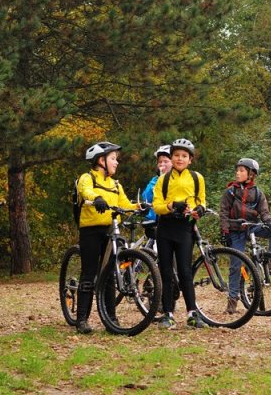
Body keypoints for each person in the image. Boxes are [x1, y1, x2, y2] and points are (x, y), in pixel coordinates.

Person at [75, 141, 143, 334]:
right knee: (89, 273)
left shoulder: (115, 184)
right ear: (100, 161)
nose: (117, 163)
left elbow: (125, 204)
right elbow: (85, 191)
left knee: (110, 274)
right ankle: (82, 319)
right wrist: (96, 198)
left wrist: (140, 207)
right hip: (90, 230)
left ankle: (111, 319)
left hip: (110, 230)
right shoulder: (87, 178)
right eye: (113, 159)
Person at [151, 138, 207, 329]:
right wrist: (172, 205)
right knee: (166, 272)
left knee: (185, 271)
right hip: (166, 227)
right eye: (176, 155)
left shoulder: (197, 178)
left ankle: (192, 313)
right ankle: (168, 314)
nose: (180, 159)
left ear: (190, 159)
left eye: (184, 156)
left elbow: (202, 200)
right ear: (171, 158)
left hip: (185, 228)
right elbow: (157, 205)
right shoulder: (163, 179)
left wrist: (200, 209)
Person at [219, 157, 271, 314]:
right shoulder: (230, 191)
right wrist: (225, 231)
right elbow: (224, 213)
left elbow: (264, 212)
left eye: (241, 170)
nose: (237, 173)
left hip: (252, 228)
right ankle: (233, 299)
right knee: (236, 264)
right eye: (237, 170)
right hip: (236, 230)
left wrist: (268, 222)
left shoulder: (258, 193)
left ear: (251, 175)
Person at [141, 145, 172, 236]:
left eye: (166, 161)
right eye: (160, 162)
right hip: (154, 221)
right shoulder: (155, 180)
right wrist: (157, 181)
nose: (162, 164)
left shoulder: (177, 180)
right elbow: (146, 197)